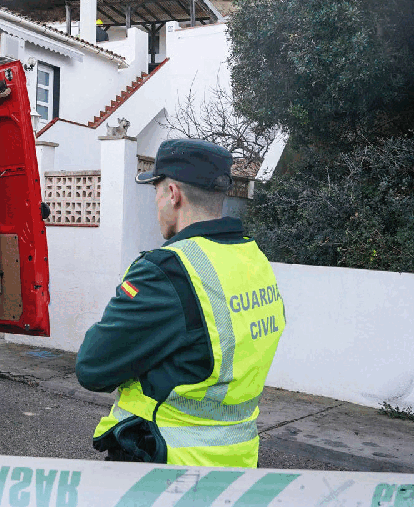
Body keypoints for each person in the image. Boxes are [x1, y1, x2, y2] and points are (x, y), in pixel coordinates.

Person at [76, 139, 286, 468]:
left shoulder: (166, 271)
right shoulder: (253, 260)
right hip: (237, 462)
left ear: (172, 194)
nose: (156, 204)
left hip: (165, 467)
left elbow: (92, 368)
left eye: (156, 193)